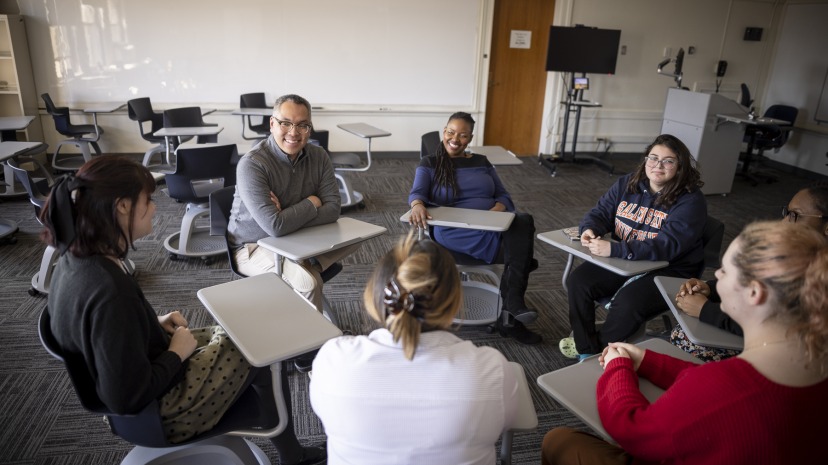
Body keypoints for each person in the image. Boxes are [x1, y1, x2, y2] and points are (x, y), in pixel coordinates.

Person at [42, 157, 324, 465]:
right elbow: (124, 396)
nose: (153, 208)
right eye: (147, 200)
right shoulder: (108, 291)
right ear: (122, 206)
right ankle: (288, 449)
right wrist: (176, 353)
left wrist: (150, 324)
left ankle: (277, 433)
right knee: (262, 344)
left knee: (243, 330)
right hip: (162, 413)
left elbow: (101, 335)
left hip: (149, 381)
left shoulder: (74, 258)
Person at [541, 220, 828, 464]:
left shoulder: (719, 387)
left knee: (559, 441)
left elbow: (632, 431)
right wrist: (648, 361)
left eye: (725, 271)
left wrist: (617, 369)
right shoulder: (813, 359)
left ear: (755, 293)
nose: (716, 275)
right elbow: (715, 385)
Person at [310, 232, 520, 465]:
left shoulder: (333, 361)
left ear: (376, 295)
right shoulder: (491, 371)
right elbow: (507, 421)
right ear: (454, 303)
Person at [559, 134, 707, 360]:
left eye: (668, 161)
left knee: (628, 303)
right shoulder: (628, 183)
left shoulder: (691, 200)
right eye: (653, 158)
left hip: (670, 269)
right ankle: (586, 348)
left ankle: (597, 350)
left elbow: (667, 246)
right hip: (627, 259)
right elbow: (600, 213)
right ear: (645, 160)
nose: (658, 166)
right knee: (578, 282)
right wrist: (589, 228)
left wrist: (616, 250)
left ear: (680, 167)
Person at [408, 112, 540, 344]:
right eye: (450, 132)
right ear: (444, 131)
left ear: (470, 138)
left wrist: (496, 211)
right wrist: (417, 205)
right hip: (454, 231)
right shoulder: (430, 163)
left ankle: (512, 305)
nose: (455, 139)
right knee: (521, 254)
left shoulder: (481, 161)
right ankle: (511, 315)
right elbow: (417, 193)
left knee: (523, 220)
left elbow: (503, 195)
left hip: (491, 225)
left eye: (462, 135)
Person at [227, 93, 358, 313]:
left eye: (302, 125)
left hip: (296, 238)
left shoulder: (319, 156)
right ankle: (312, 344)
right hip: (253, 245)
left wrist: (286, 215)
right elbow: (274, 227)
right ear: (272, 124)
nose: (294, 132)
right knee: (309, 283)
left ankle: (303, 266)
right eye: (285, 123)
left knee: (355, 238)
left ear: (310, 128)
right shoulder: (252, 164)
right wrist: (312, 201)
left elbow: (334, 210)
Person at [671, 185, 828, 361]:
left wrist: (705, 310)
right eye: (787, 212)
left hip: (773, 354)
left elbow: (778, 328)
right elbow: (747, 279)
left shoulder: (817, 278)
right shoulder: (792, 251)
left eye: (795, 215)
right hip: (739, 328)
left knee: (686, 343)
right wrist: (711, 289)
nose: (784, 221)